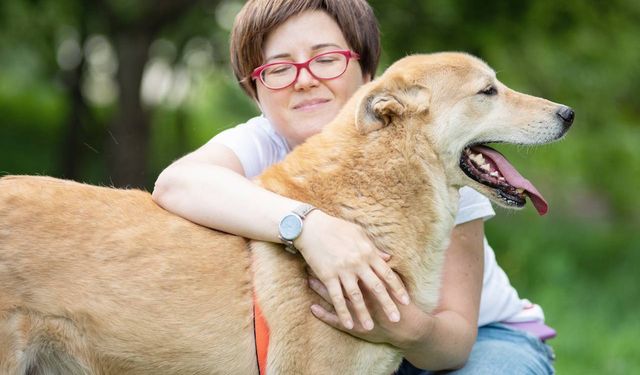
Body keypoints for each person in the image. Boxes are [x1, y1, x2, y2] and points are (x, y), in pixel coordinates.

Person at [152, 0, 555, 373]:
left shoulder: (437, 156)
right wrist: (308, 226)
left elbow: (453, 344)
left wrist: (398, 327)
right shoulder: (264, 140)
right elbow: (177, 184)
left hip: (475, 340)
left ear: (368, 75)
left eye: (326, 59)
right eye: (278, 69)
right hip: (346, 340)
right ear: (255, 91)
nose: (304, 80)